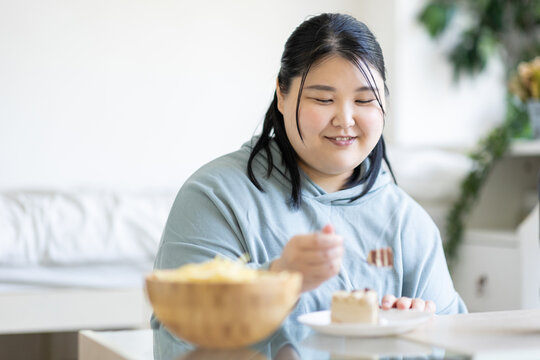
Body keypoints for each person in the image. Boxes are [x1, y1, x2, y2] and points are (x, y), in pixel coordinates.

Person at [152, 13, 467, 332]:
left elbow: (457, 343)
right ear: (282, 94)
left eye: (364, 99)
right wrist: (275, 280)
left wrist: (419, 328)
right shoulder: (215, 197)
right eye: (323, 99)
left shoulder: (407, 223)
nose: (345, 120)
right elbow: (179, 330)